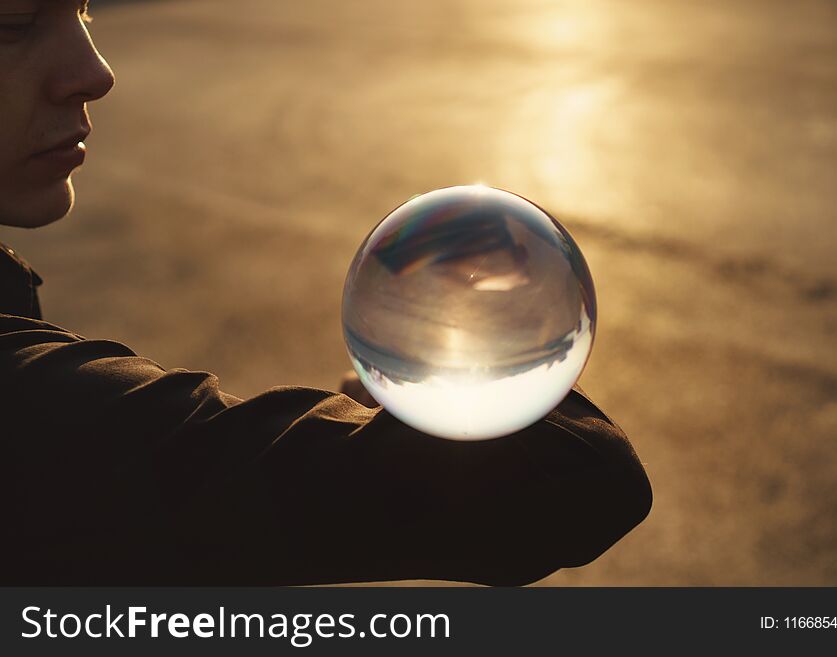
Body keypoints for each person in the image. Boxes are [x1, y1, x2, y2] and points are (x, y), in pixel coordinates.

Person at [0, 0, 651, 585]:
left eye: (83, 9)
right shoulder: (31, 406)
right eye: (16, 24)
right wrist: (433, 415)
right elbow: (579, 481)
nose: (95, 70)